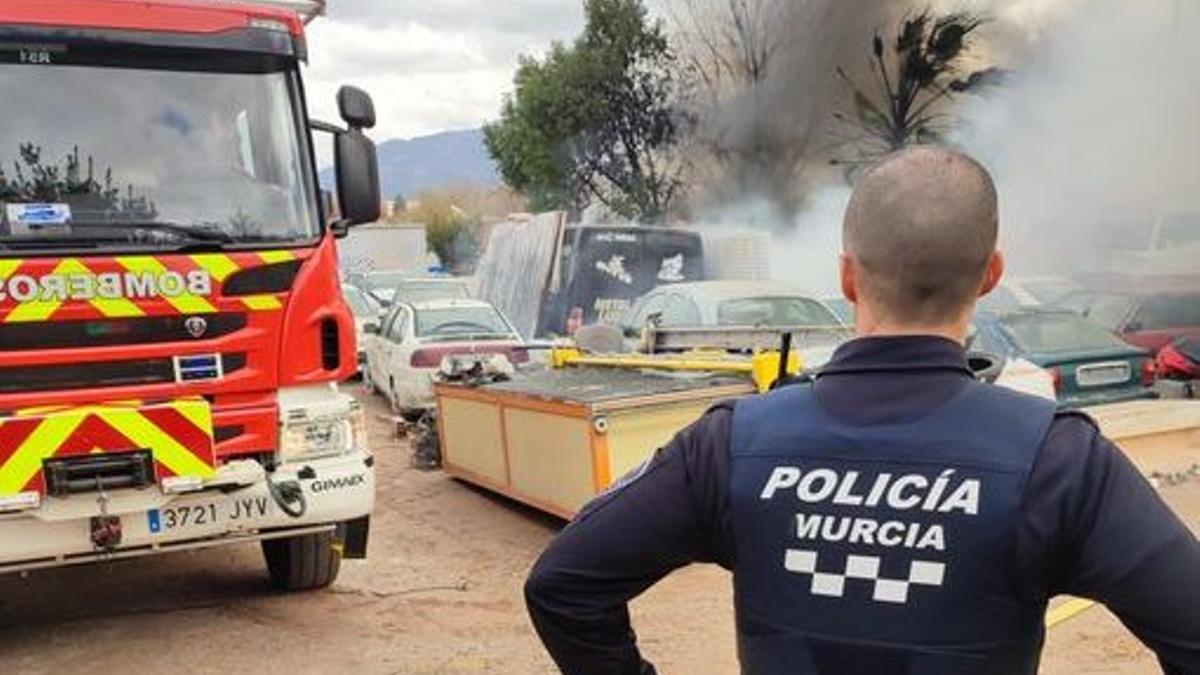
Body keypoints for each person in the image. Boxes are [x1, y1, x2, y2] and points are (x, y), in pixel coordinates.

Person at [523, 147, 1200, 675]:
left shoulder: (732, 443)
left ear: (847, 275)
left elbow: (563, 585)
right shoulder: (1057, 461)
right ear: (991, 274)